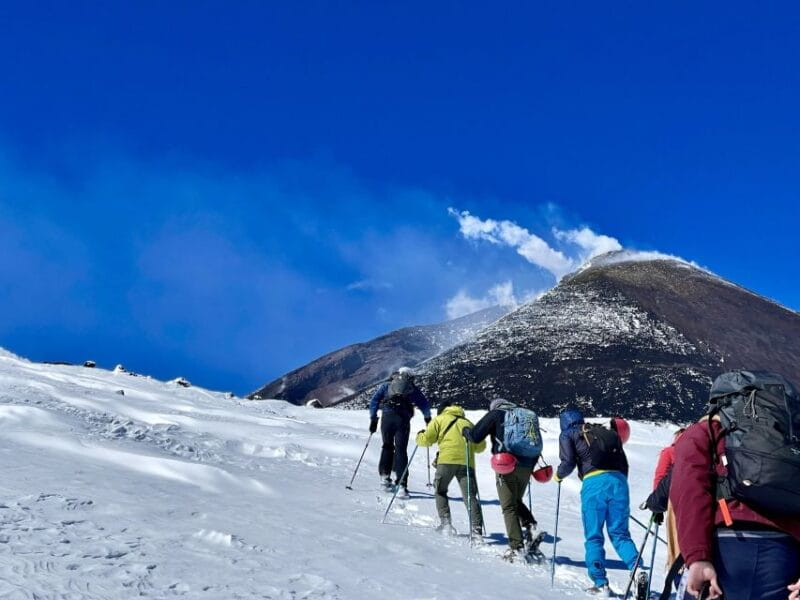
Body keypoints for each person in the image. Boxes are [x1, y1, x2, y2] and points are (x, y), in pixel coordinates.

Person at [670, 416, 800, 599]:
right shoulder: (793, 430)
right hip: (785, 555)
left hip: (724, 549)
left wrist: (697, 556)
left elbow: (689, 492)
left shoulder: (709, 429)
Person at [555, 408, 639, 596]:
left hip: (593, 484)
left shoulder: (568, 433)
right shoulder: (605, 432)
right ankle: (637, 569)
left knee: (594, 535)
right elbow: (624, 464)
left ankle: (600, 583)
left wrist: (558, 476)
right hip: (619, 483)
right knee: (620, 534)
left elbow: (568, 462)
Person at [461, 398, 539, 561]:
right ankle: (531, 527)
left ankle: (516, 547)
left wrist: (466, 431)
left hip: (506, 463)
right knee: (515, 500)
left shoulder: (496, 413)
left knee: (508, 506)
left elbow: (475, 436)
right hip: (528, 464)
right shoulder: (525, 415)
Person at [415, 400, 486, 538]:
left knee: (440, 490)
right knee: (470, 496)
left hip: (446, 461)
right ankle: (476, 530)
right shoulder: (468, 423)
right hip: (467, 463)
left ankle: (446, 524)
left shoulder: (439, 420)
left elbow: (427, 440)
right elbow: (480, 447)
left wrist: (419, 435)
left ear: (442, 411)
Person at [369, 368, 431, 497]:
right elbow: (424, 404)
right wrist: (427, 418)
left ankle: (385, 479)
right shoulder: (412, 388)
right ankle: (401, 485)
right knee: (401, 450)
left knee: (387, 446)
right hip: (402, 420)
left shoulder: (387, 386)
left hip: (387, 418)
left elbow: (374, 401)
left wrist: (373, 418)